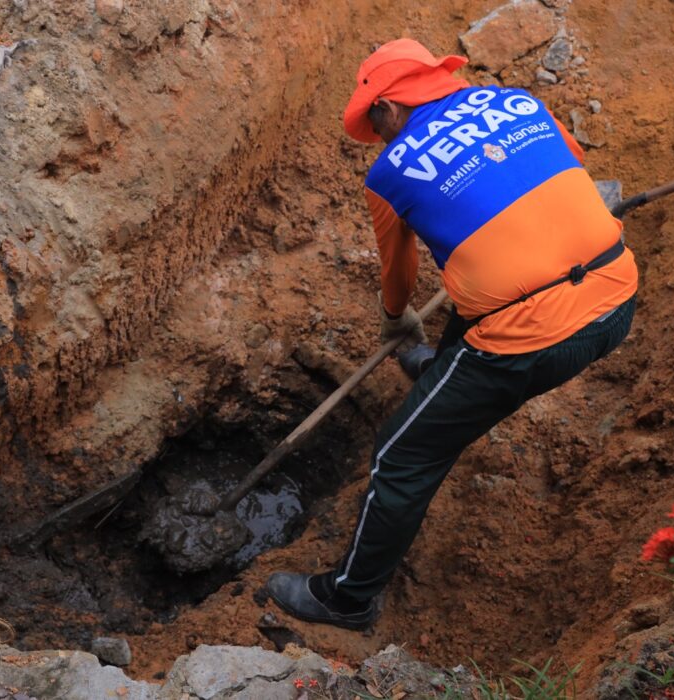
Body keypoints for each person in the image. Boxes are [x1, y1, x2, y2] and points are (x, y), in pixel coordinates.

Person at [266, 38, 638, 630]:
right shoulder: (517, 102)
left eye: (375, 125)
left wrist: (396, 318)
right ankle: (441, 372)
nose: (379, 139)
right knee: (479, 293)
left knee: (398, 455)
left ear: (387, 107)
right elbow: (573, 171)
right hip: (618, 294)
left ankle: (348, 599)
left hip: (528, 344)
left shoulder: (390, 172)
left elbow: (399, 269)